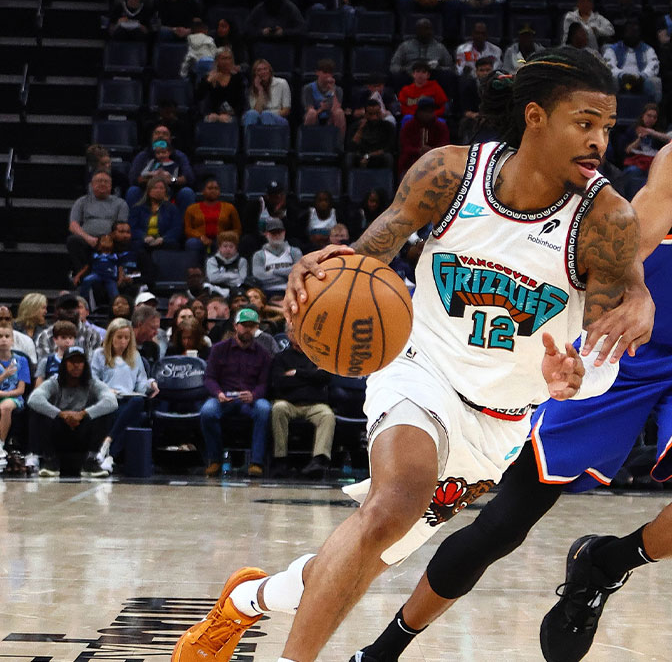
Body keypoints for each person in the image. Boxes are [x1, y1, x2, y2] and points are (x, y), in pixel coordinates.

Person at [171, 46, 645, 662]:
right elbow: (367, 261)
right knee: (392, 506)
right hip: (417, 369)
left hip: (497, 426)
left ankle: (249, 599)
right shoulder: (449, 174)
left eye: (606, 128)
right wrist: (324, 271)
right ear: (535, 117)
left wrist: (575, 380)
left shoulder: (606, 219)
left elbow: (603, 361)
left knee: (368, 556)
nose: (599, 142)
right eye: (585, 123)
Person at [353, 32, 672, 662]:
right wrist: (639, 294)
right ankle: (384, 648)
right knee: (503, 526)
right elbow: (631, 247)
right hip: (622, 349)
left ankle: (603, 564)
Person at [198, 308, 272, 477]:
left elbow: (264, 383)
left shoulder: (263, 354)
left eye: (252, 326)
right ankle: (215, 459)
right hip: (224, 398)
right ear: (235, 326)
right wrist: (218, 393)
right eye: (244, 325)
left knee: (264, 408)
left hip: (249, 400)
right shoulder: (219, 349)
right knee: (207, 411)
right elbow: (209, 378)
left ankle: (256, 462)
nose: (248, 329)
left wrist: (254, 395)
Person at [27, 346, 118, 478]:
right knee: (37, 411)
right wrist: (61, 414)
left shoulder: (92, 383)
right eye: (72, 361)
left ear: (85, 365)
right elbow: (33, 399)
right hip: (58, 432)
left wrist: (83, 414)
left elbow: (111, 401)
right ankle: (49, 460)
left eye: (80, 362)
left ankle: (91, 460)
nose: (76, 366)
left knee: (107, 412)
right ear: (64, 364)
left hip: (83, 432)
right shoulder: (54, 382)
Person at [90, 318, 159, 477]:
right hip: (108, 399)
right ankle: (111, 455)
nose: (123, 342)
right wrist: (107, 390)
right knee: (130, 418)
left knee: (137, 402)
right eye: (119, 337)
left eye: (126, 338)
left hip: (129, 399)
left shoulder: (135, 356)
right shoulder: (99, 355)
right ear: (111, 337)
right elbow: (93, 380)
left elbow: (141, 382)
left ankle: (108, 446)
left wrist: (150, 383)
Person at [269, 342, 334, 478]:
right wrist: (311, 377)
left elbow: (325, 378)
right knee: (278, 409)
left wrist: (297, 373)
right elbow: (279, 382)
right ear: (289, 335)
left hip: (314, 404)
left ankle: (319, 460)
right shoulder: (281, 357)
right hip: (288, 403)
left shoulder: (318, 355)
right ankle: (280, 459)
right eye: (293, 331)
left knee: (327, 415)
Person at [67, 171, 129, 274]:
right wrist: (88, 238)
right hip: (88, 239)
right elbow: (73, 225)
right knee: (73, 241)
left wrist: (107, 239)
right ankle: (83, 274)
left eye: (106, 182)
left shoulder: (121, 203)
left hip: (111, 239)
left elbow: (122, 227)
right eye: (99, 181)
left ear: (111, 185)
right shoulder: (82, 202)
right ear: (91, 185)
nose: (102, 184)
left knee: (124, 240)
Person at [125, 125, 196, 210]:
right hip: (147, 190)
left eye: (165, 134)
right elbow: (134, 178)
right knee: (133, 191)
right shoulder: (143, 156)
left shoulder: (179, 156)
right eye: (157, 133)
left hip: (172, 190)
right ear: (152, 138)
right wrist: (154, 180)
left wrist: (171, 180)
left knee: (187, 192)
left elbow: (189, 178)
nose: (160, 136)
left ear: (170, 139)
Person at [620, 103, 671, 198]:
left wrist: (651, 132)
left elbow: (670, 139)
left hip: (654, 163)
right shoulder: (633, 129)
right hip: (636, 162)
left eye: (654, 117)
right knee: (632, 172)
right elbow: (627, 150)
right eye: (648, 116)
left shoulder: (659, 132)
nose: (651, 119)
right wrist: (639, 139)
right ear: (643, 116)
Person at [604, 21, 662, 102]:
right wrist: (622, 75)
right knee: (611, 80)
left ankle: (652, 111)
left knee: (655, 82)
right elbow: (609, 66)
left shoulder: (648, 49)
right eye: (630, 32)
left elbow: (653, 66)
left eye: (635, 32)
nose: (633, 35)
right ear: (624, 33)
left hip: (641, 80)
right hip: (621, 80)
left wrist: (642, 76)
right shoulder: (612, 49)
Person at [185, 178, 242, 257]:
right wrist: (201, 237)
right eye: (210, 188)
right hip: (199, 240)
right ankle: (194, 267)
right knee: (191, 243)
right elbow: (188, 229)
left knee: (227, 244)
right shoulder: (192, 208)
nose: (213, 191)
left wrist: (224, 237)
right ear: (203, 191)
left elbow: (237, 229)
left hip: (222, 240)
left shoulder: (230, 208)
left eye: (216, 188)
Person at [0, 324, 30, 471]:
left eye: (7, 337)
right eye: (0, 337)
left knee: (5, 407)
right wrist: (4, 375)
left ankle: (0, 445)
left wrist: (3, 394)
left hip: (14, 398)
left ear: (12, 340)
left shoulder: (21, 361)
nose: (3, 340)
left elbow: (20, 390)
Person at [398, 97, 450, 177]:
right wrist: (418, 151)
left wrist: (431, 151)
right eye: (425, 111)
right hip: (412, 162)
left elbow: (445, 144)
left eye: (431, 111)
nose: (428, 114)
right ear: (419, 112)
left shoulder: (441, 127)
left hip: (435, 161)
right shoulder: (409, 126)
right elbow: (405, 146)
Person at [36, 295, 101, 359]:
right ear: (57, 311)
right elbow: (44, 364)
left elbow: (96, 364)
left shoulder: (92, 335)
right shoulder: (46, 336)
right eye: (65, 308)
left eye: (73, 307)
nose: (70, 311)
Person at [388, 18, 454, 79]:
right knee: (397, 76)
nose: (427, 32)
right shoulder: (405, 46)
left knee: (447, 75)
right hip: (410, 76)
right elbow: (394, 66)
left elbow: (451, 68)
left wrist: (439, 68)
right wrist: (405, 69)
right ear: (417, 31)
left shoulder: (440, 47)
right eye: (424, 29)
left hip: (433, 76)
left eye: (429, 29)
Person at [129, 178, 184, 252]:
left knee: (173, 244)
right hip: (143, 241)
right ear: (148, 191)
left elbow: (176, 229)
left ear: (165, 191)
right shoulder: (137, 208)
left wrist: (163, 239)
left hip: (164, 242)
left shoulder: (172, 209)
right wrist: (144, 237)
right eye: (155, 188)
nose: (158, 191)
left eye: (161, 188)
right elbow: (132, 228)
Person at [252, 219, 302, 297]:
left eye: (279, 232)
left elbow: (299, 271)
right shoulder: (259, 255)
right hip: (268, 292)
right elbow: (259, 276)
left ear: (284, 232)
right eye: (273, 233)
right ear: (266, 234)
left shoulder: (295, 252)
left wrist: (273, 272)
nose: (276, 235)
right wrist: (287, 275)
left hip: (292, 290)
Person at [196, 48, 246, 124]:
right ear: (217, 61)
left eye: (229, 58)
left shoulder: (238, 78)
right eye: (223, 58)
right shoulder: (208, 78)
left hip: (233, 115)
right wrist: (208, 81)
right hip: (211, 114)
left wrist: (232, 113)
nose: (227, 61)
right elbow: (199, 97)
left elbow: (242, 102)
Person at [302, 59, 347, 138]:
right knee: (311, 113)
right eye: (325, 72)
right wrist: (321, 109)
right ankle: (308, 143)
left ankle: (339, 145)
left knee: (339, 113)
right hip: (316, 116)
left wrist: (332, 90)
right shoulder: (308, 88)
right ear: (317, 72)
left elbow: (337, 108)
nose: (327, 76)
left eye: (330, 73)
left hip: (331, 118)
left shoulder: (338, 90)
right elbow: (309, 109)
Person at [74, 233, 121, 307]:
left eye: (109, 241)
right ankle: (83, 300)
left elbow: (120, 268)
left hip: (110, 276)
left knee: (114, 293)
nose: (106, 243)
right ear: (99, 244)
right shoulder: (95, 255)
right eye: (104, 241)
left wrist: (120, 279)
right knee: (87, 280)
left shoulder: (115, 256)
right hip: (97, 274)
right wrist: (78, 276)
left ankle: (116, 306)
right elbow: (87, 266)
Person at [348, 100, 395, 171]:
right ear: (365, 114)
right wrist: (360, 130)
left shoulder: (388, 126)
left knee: (388, 157)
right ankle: (348, 181)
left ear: (381, 112)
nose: (374, 117)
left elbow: (390, 148)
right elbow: (350, 148)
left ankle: (388, 181)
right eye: (370, 114)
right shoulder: (357, 126)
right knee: (349, 157)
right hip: (361, 157)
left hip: (379, 157)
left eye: (377, 114)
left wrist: (369, 156)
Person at [243, 59, 291, 126]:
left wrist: (269, 114)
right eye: (259, 70)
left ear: (270, 70)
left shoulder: (282, 83)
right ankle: (250, 136)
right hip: (260, 117)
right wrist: (260, 90)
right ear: (255, 74)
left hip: (278, 118)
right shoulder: (252, 89)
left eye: (265, 69)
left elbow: (286, 110)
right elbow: (256, 112)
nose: (263, 72)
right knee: (251, 114)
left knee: (266, 115)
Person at [206, 231, 249, 298]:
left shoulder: (242, 261)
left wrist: (221, 277)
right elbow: (213, 278)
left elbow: (241, 280)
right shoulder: (212, 261)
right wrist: (232, 275)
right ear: (219, 247)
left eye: (231, 246)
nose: (228, 249)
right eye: (225, 246)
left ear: (236, 248)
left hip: (235, 290)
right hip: (217, 290)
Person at [132, 304, 166, 371]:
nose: (156, 333)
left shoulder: (153, 347)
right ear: (140, 324)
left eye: (157, 328)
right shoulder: (122, 344)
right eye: (153, 328)